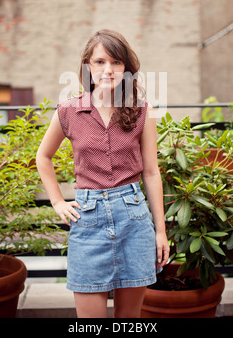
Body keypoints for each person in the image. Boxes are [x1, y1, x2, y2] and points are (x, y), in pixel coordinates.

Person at [36, 29, 169, 318]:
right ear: (87, 66)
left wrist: (161, 231)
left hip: (134, 219)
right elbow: (43, 157)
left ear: (126, 68)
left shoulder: (141, 112)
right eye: (100, 62)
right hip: (88, 220)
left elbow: (151, 172)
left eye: (116, 62)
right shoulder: (68, 111)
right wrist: (58, 202)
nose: (108, 70)